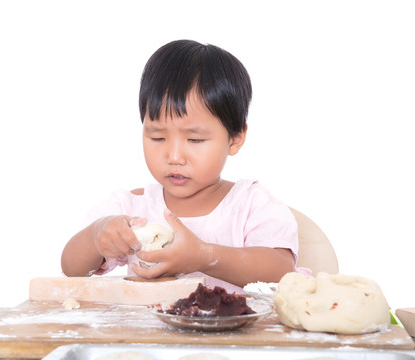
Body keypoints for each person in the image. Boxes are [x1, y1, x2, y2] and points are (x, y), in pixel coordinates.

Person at [61, 39, 298, 293]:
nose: (174, 156)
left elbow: (281, 271)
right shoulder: (132, 208)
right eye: (158, 138)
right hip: (150, 334)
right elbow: (72, 269)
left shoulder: (250, 205)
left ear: (235, 138)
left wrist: (204, 256)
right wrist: (96, 237)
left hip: (233, 333)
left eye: (195, 139)